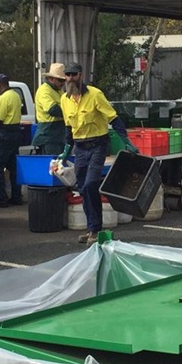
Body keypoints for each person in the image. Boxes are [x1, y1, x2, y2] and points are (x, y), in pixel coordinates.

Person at [57, 63, 134, 245]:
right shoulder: (64, 100)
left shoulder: (95, 94)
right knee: (83, 188)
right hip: (80, 148)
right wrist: (66, 151)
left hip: (98, 145)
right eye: (67, 75)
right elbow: (69, 128)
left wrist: (126, 141)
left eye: (73, 74)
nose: (70, 78)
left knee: (92, 183)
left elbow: (113, 118)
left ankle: (95, 227)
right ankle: (93, 229)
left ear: (80, 75)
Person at [0, 74, 24, 207]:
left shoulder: (3, 98)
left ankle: (1, 199)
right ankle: (16, 197)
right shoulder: (15, 95)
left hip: (4, 135)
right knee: (13, 168)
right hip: (15, 133)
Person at [31, 63, 67, 156]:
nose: (63, 83)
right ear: (51, 78)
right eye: (60, 80)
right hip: (48, 137)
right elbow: (53, 110)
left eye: (64, 80)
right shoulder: (44, 90)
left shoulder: (59, 91)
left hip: (58, 136)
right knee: (51, 166)